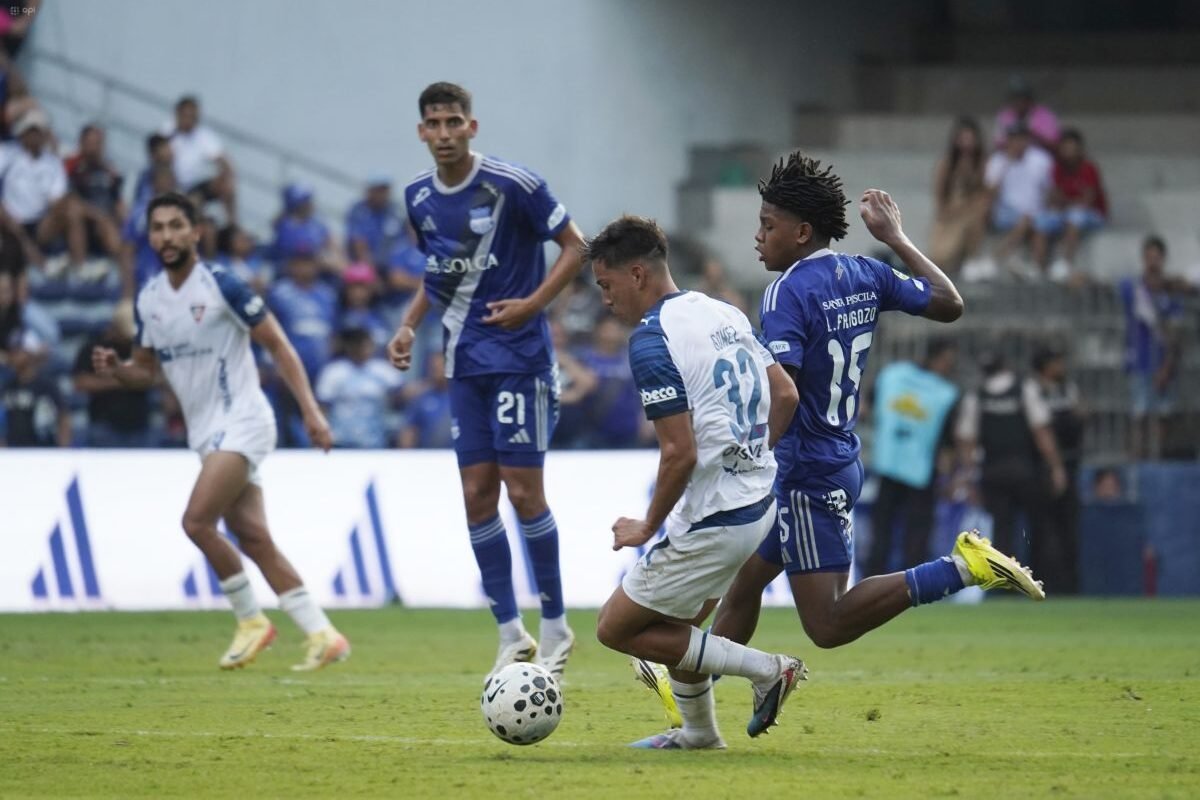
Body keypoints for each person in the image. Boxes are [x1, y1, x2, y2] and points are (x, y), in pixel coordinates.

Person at [705, 153, 1042, 663]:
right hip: (837, 455)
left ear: (801, 233)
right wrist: (897, 239)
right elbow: (949, 302)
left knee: (827, 624)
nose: (758, 236)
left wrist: (751, 457)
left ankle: (960, 568)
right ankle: (700, 700)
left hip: (805, 472)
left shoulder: (785, 294)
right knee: (745, 585)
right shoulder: (865, 273)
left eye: (767, 225)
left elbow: (784, 392)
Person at [92, 192, 348, 671]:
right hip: (206, 433)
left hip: (244, 421)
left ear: (196, 232)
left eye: (176, 226)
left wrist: (311, 411)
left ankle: (251, 620)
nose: (166, 236)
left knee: (196, 522)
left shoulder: (222, 285)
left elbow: (279, 345)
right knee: (252, 536)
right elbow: (145, 371)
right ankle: (322, 634)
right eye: (158, 228)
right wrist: (117, 369)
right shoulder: (149, 300)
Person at [387, 82, 585, 679]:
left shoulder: (513, 185)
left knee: (523, 493)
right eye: (434, 124)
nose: (444, 133)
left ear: (472, 127)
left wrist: (533, 305)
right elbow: (440, 274)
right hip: (463, 363)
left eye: (454, 122)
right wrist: (408, 325)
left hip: (520, 358)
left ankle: (556, 625)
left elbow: (576, 247)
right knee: (477, 495)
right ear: (420, 132)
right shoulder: (418, 197)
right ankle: (509, 633)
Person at [587, 215, 805, 749]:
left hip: (716, 515)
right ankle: (700, 734)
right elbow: (786, 395)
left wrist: (646, 526)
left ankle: (768, 669)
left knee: (616, 627)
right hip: (757, 502)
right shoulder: (722, 310)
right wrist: (752, 456)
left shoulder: (651, 339)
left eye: (606, 285)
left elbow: (679, 453)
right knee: (675, 630)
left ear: (637, 274)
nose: (605, 301)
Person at [955, 352, 1067, 559]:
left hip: (993, 473)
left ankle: (1004, 576)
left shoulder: (976, 396)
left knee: (1001, 532)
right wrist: (1056, 467)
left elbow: (967, 440)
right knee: (1038, 527)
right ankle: (1038, 573)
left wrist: (969, 477)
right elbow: (1041, 431)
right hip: (1026, 471)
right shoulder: (1024, 388)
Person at [864, 338, 960, 577]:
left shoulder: (892, 375)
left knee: (881, 531)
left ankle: (872, 583)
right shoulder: (945, 393)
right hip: (921, 471)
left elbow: (865, 407)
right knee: (916, 535)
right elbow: (948, 441)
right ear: (939, 359)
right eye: (949, 362)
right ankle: (913, 584)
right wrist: (949, 476)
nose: (950, 367)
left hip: (887, 463)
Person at [1119, 236, 1182, 459]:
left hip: (1163, 363)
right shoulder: (1133, 288)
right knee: (1138, 413)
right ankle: (1136, 458)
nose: (1152, 262)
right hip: (1139, 361)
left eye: (1157, 257)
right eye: (1149, 257)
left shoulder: (1171, 295)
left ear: (1163, 259)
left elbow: (1175, 334)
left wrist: (1167, 366)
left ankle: (1156, 458)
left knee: (1163, 414)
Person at [1026, 344, 1083, 594]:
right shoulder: (1031, 389)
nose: (1061, 367)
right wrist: (1055, 466)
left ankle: (1069, 586)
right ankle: (1040, 582)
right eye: (1056, 362)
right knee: (1042, 529)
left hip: (1070, 462)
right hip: (1041, 468)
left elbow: (1081, 414)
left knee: (1068, 528)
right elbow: (1040, 430)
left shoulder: (1067, 388)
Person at [1032, 129, 1108, 282]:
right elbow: (1053, 198)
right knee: (1041, 221)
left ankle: (1065, 263)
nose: (1067, 152)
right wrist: (1064, 201)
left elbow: (1087, 201)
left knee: (1075, 216)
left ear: (1079, 149)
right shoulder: (1057, 169)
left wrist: (1065, 201)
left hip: (1094, 214)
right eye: (1064, 148)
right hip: (1066, 211)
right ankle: (1037, 267)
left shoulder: (1089, 168)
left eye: (1071, 148)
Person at [315, 325, 404, 448]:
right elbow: (323, 408)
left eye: (366, 344)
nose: (363, 348)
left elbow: (401, 397)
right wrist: (320, 437)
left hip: (375, 442)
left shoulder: (384, 370)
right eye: (358, 344)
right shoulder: (334, 372)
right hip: (341, 442)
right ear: (349, 346)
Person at [985, 121, 1054, 275]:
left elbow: (1049, 190)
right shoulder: (998, 160)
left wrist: (1044, 209)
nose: (1018, 143)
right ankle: (996, 260)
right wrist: (1006, 165)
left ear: (1028, 140)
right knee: (1026, 220)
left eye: (1021, 138)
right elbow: (990, 193)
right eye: (1014, 139)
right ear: (1008, 140)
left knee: (1039, 224)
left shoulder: (1041, 160)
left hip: (1035, 212)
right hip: (1005, 212)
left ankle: (1034, 267)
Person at [162, 96, 236, 222]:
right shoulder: (167, 131)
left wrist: (226, 173)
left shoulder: (203, 135)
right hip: (173, 183)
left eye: (194, 116)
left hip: (198, 186)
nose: (191, 120)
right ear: (178, 114)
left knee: (226, 185)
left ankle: (231, 224)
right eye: (187, 115)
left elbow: (223, 160)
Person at [929, 117, 988, 274]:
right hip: (951, 212)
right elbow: (940, 195)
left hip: (971, 211)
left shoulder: (982, 162)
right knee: (939, 256)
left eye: (970, 139)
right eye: (963, 139)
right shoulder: (947, 163)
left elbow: (982, 191)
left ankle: (971, 258)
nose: (966, 143)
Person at [993, 75, 1060, 153]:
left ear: (1029, 99)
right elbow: (998, 143)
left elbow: (1054, 144)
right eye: (1015, 98)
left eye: (1023, 98)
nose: (1019, 102)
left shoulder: (1044, 114)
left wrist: (1033, 133)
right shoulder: (1005, 115)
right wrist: (1017, 139)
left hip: (1039, 154)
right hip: (1012, 156)